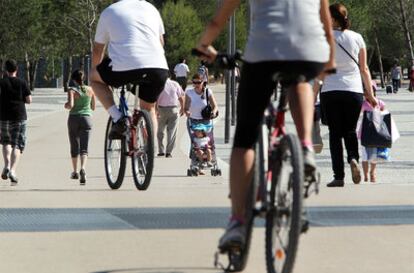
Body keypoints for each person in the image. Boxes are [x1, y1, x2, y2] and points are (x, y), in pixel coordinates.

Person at [195, 0, 336, 252]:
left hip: (264, 52)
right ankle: (305, 146)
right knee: (300, 79)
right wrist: (330, 61)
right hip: (311, 49)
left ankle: (237, 222)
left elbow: (218, 20)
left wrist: (204, 45)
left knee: (245, 138)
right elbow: (326, 20)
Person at [316, 3, 377, 188]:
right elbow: (364, 69)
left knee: (335, 134)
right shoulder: (357, 38)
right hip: (353, 91)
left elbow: (320, 70)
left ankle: (339, 176)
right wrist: (371, 95)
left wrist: (312, 94)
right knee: (350, 130)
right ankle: (353, 158)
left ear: (332, 18)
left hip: (330, 90)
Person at [89, 0, 169, 141]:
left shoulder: (109, 11)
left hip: (124, 68)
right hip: (158, 67)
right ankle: (148, 152)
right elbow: (161, 42)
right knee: (149, 108)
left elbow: (97, 50)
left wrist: (98, 70)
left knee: (93, 77)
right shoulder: (151, 8)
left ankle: (118, 118)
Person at [0, 59, 32, 185]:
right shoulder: (22, 82)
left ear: (5, 70)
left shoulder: (1, 83)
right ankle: (13, 170)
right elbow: (29, 100)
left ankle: (6, 165)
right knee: (17, 144)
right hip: (19, 116)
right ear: (16, 69)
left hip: (3, 116)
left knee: (5, 141)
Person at [64, 69, 95, 185]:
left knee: (74, 146)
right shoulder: (91, 90)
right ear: (84, 78)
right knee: (84, 148)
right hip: (87, 119)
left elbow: (70, 105)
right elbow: (93, 107)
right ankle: (83, 169)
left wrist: (66, 105)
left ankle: (75, 171)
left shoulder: (72, 90)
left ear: (73, 79)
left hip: (73, 119)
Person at [358, 95, 386, 183]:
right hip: (364, 132)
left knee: (373, 154)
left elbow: (384, 112)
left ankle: (372, 173)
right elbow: (357, 114)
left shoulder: (379, 102)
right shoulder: (363, 104)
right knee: (365, 155)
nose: (366, 93)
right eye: (365, 91)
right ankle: (365, 174)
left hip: (376, 132)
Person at [156, 75, 185, 158]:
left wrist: (155, 110)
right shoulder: (175, 84)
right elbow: (181, 97)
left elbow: (156, 99)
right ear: (170, 76)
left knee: (160, 131)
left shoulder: (159, 84)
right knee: (172, 132)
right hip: (173, 110)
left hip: (161, 110)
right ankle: (168, 152)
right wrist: (182, 108)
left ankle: (161, 151)